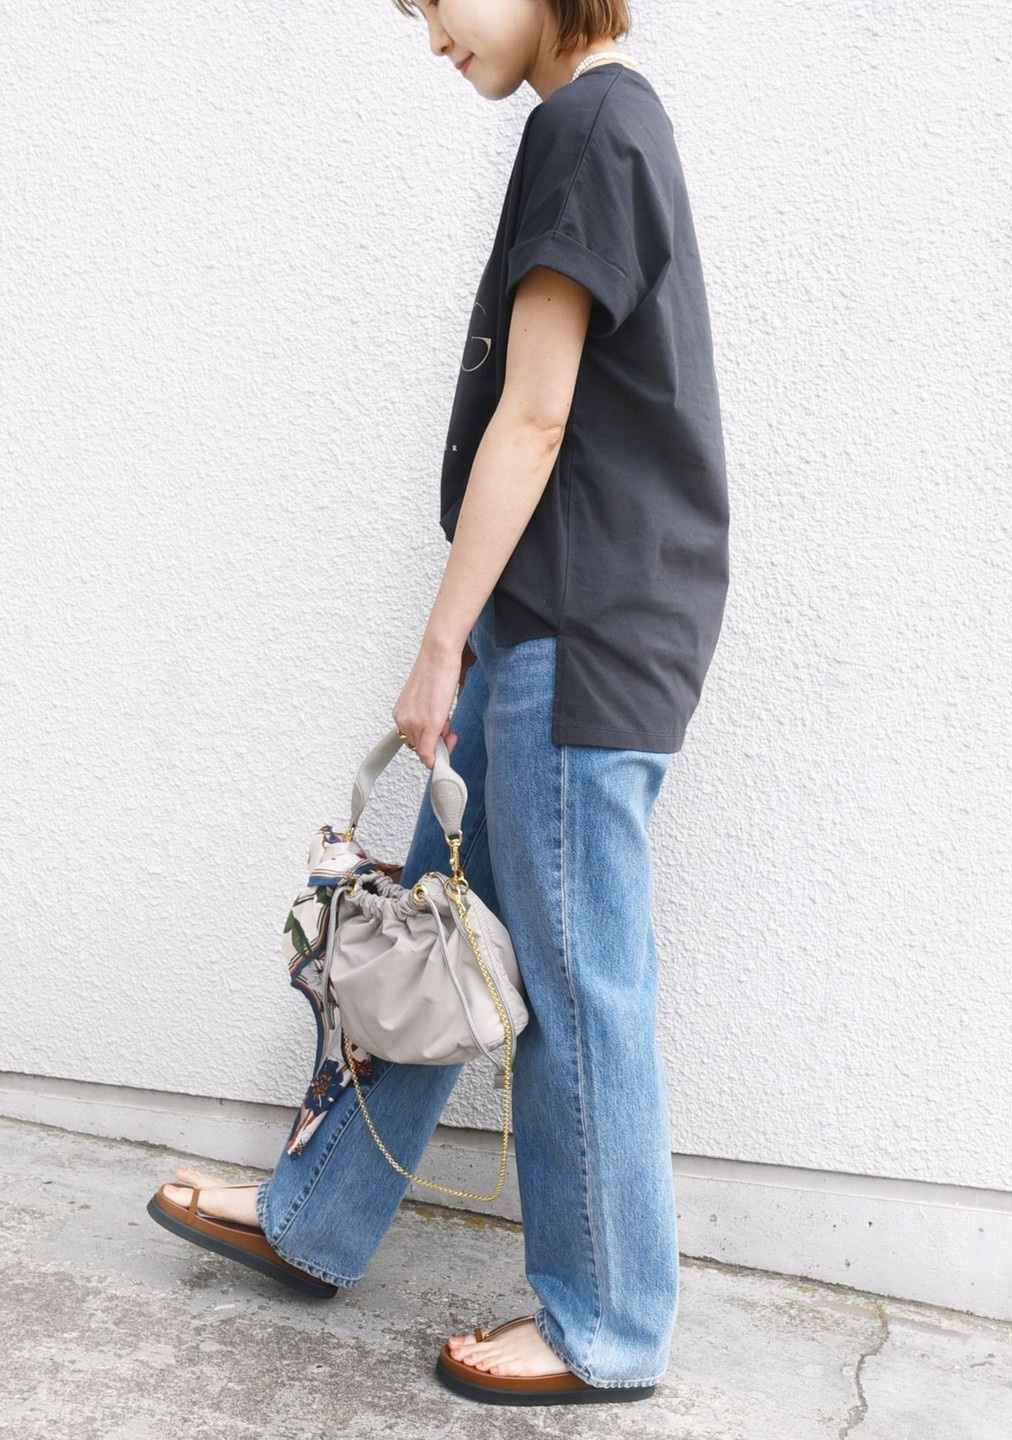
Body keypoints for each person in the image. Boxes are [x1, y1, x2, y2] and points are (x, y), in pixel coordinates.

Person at [146, 0, 729, 1408]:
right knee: (428, 936)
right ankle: (316, 1217)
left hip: (574, 637)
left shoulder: (591, 123)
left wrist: (439, 643)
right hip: (560, 624)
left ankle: (607, 1328)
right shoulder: (597, 123)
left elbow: (537, 414)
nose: (429, 37)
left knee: (577, 991)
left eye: (433, 0)